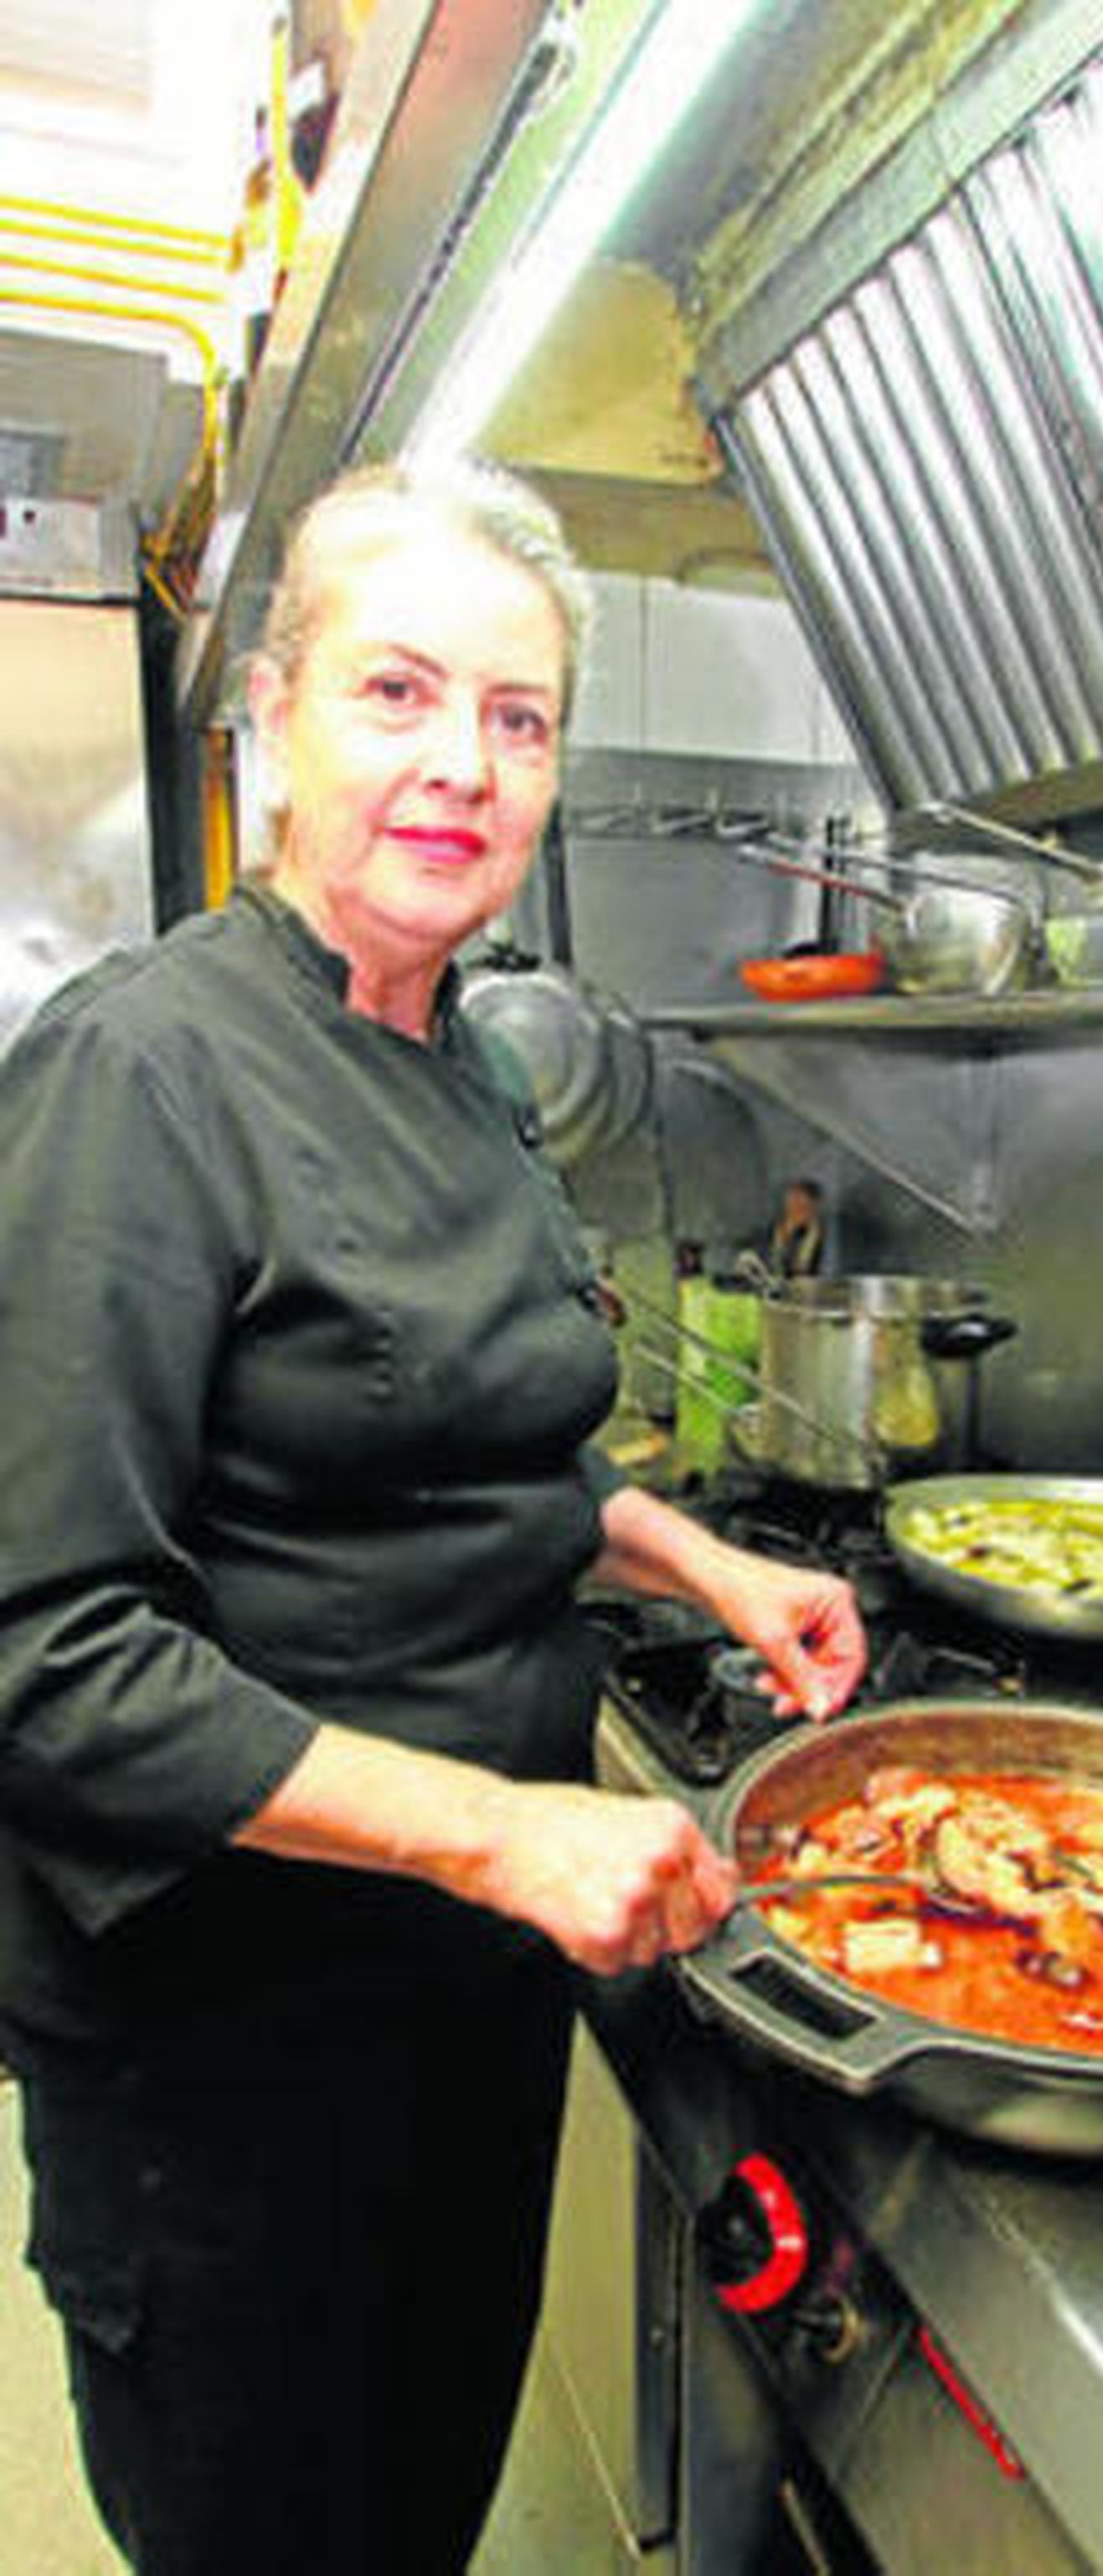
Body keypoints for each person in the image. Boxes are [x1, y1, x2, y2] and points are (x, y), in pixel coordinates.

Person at [0, 459, 866, 2576]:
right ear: (270, 716)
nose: (460, 767)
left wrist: (692, 1551)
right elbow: (46, 1653)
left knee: (414, 2509)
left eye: (517, 717)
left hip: (457, 2000)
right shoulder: (145, 1072)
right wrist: (513, 1829)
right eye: (398, 691)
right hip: (233, 2039)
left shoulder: (461, 1060)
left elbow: (452, 1441)